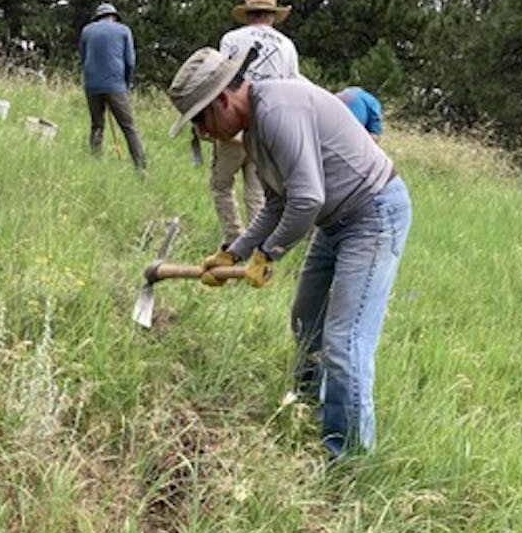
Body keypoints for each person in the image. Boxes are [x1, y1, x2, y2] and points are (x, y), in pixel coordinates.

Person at [166, 47, 412, 462]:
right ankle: (304, 410)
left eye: (202, 120)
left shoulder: (278, 108)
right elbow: (279, 204)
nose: (204, 134)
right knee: (305, 319)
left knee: (345, 341)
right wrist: (232, 253)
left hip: (372, 214)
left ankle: (346, 460)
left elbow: (307, 199)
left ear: (223, 100)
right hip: (335, 220)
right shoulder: (256, 128)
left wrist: (268, 253)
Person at [204, 0, 301, 245]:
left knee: (221, 184)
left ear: (249, 13)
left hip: (233, 125)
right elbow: (292, 89)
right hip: (267, 129)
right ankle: (259, 244)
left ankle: (235, 238)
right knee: (257, 191)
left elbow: (218, 81)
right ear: (272, 15)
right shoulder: (287, 47)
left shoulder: (231, 39)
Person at [79, 2, 146, 169]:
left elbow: (83, 57)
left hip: (92, 85)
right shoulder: (124, 30)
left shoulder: (87, 31)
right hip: (116, 86)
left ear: (98, 18)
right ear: (114, 17)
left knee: (97, 125)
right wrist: (126, 84)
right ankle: (141, 168)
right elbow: (130, 61)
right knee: (129, 128)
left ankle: (95, 162)